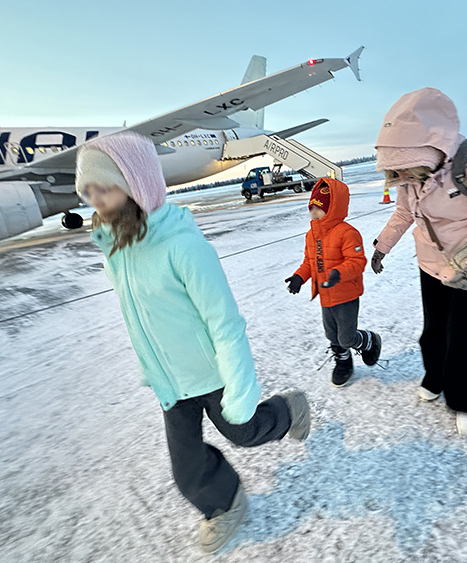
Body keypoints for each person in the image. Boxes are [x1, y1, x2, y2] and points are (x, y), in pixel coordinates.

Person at [75, 131, 311, 554]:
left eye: (103, 187)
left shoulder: (183, 246)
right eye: (87, 190)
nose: (94, 199)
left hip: (210, 373)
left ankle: (287, 408)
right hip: (169, 381)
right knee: (186, 471)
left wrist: (240, 389)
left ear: (135, 186)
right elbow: (141, 317)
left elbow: (225, 322)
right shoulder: (116, 248)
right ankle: (225, 504)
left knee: (247, 432)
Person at [370, 88, 467, 437]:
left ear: (432, 149)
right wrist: (382, 247)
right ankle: (435, 378)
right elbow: (402, 213)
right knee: (433, 332)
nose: (404, 177)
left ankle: (466, 401)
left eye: (409, 167)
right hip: (432, 265)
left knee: (461, 336)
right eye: (399, 171)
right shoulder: (410, 173)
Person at [285, 178, 382, 387]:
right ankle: (344, 361)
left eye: (318, 208)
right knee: (332, 335)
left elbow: (357, 261)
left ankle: (369, 340)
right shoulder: (311, 235)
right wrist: (299, 277)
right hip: (325, 295)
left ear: (332, 209)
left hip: (346, 294)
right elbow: (309, 263)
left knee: (346, 337)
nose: (313, 212)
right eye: (311, 207)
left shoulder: (347, 232)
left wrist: (339, 272)